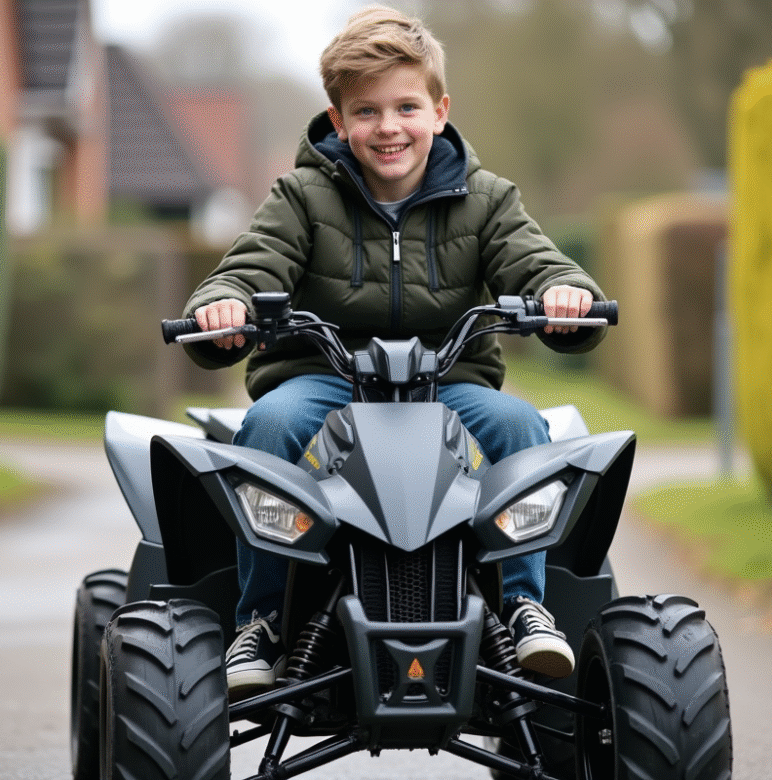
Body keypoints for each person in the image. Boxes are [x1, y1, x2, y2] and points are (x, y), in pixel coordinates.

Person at [182, 4, 607, 698]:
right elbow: (251, 266)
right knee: (269, 424)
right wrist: (222, 305)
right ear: (338, 118)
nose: (388, 127)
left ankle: (524, 609)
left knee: (521, 427)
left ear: (440, 111)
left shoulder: (488, 200)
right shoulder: (301, 195)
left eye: (406, 106)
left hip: (446, 383)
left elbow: (540, 263)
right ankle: (258, 621)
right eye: (367, 111)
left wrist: (566, 293)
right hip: (325, 379)